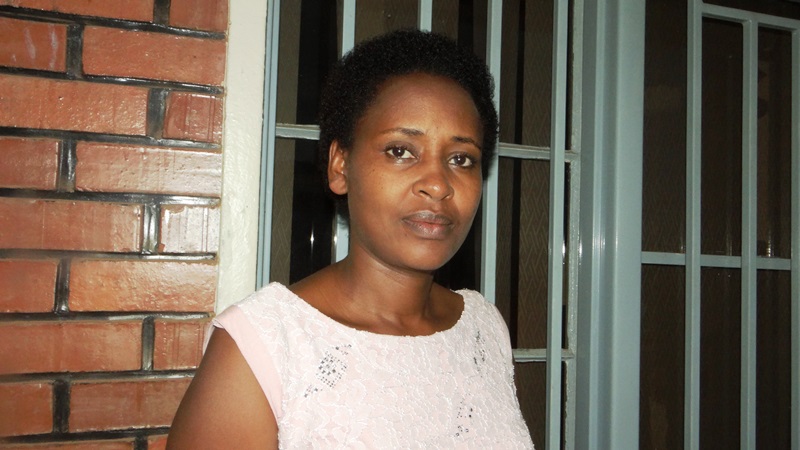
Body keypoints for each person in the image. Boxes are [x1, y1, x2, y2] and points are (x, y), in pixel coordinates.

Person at [167, 29, 534, 449]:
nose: (437, 184)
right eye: (400, 151)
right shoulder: (263, 348)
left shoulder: (484, 330)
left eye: (461, 158)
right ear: (340, 166)